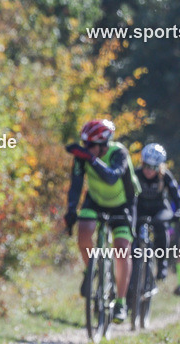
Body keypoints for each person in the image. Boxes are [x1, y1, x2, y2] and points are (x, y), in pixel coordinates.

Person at [64, 119, 140, 323]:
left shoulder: (119, 153)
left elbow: (112, 177)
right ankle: (91, 271)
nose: (86, 148)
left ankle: (122, 303)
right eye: (84, 144)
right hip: (95, 200)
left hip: (123, 203)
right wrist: (71, 210)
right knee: (84, 233)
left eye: (90, 145)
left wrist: (91, 159)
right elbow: (76, 185)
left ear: (104, 144)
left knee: (122, 249)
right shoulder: (84, 156)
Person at [135, 143, 180, 288]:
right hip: (141, 209)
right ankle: (135, 265)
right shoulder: (136, 174)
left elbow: (175, 195)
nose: (149, 170)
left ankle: (162, 265)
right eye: (146, 166)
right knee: (132, 227)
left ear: (159, 167)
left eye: (153, 167)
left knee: (160, 224)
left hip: (160, 209)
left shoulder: (165, 176)